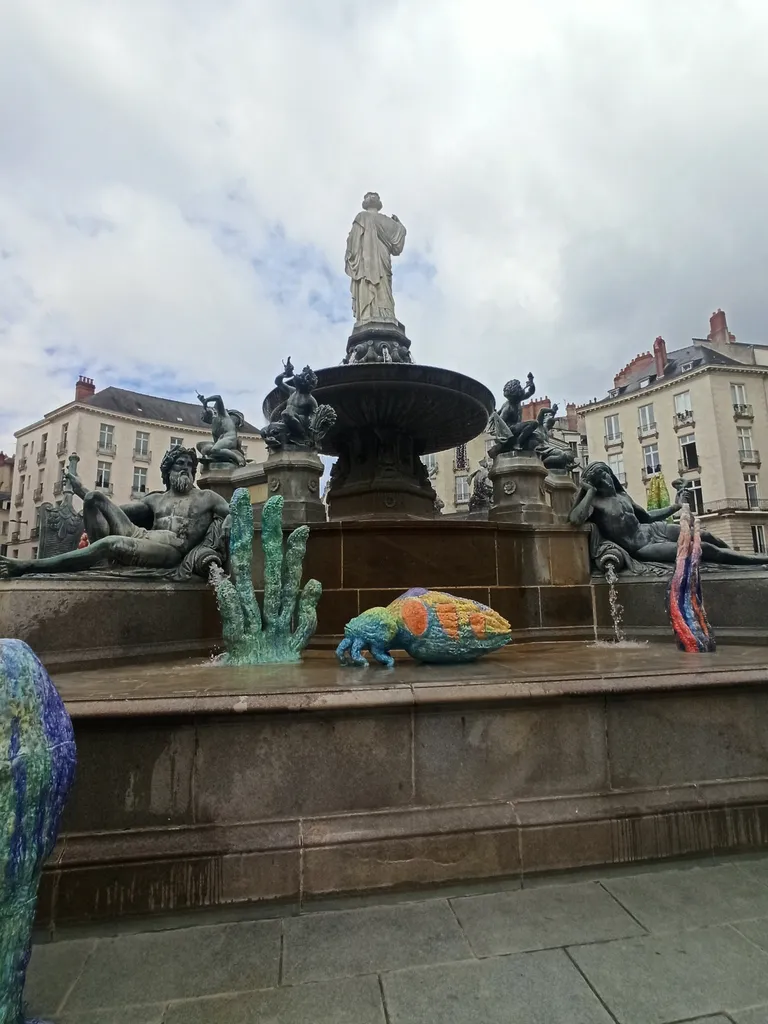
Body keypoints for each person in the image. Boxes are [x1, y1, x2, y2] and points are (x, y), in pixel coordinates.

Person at [0, 446, 231, 579]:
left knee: (111, 542)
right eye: (180, 463)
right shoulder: (156, 499)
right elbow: (115, 511)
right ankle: (100, 561)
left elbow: (235, 513)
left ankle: (28, 566)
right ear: (168, 470)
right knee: (95, 498)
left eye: (190, 465)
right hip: (141, 536)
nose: (187, 468)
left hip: (172, 549)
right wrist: (80, 489)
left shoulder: (206, 498)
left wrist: (228, 523)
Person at [569, 461, 768, 565]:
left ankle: (743, 559)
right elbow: (575, 519)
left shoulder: (623, 497)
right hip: (642, 547)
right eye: (599, 479)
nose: (606, 479)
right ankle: (757, 560)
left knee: (704, 535)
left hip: (653, 529)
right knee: (702, 548)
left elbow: (646, 517)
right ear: (594, 484)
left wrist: (675, 507)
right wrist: (590, 492)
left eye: (606, 474)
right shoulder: (594, 502)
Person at [344, 192, 407, 324]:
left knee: (374, 283)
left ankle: (371, 312)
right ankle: (383, 312)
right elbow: (400, 234)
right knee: (382, 283)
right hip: (378, 260)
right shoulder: (387, 222)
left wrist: (350, 251)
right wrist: (399, 224)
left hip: (368, 263)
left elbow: (352, 244)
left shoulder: (361, 217)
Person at [196, 394, 246, 467]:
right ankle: (216, 457)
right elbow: (216, 442)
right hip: (223, 442)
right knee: (200, 446)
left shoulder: (221, 414)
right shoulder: (214, 428)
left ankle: (237, 457)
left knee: (214, 450)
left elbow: (218, 397)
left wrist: (206, 400)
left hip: (230, 438)